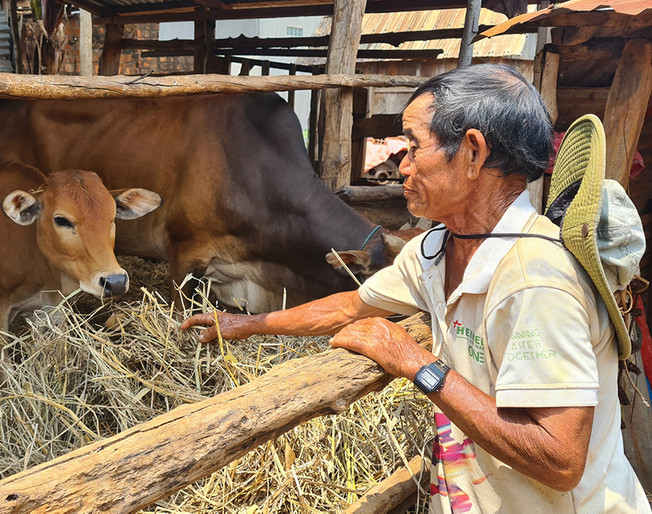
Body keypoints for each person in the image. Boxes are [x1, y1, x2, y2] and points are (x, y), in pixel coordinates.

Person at [181, 64, 651, 513]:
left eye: (413, 145)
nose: (402, 165)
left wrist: (416, 363)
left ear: (472, 153)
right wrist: (249, 324)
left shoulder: (535, 282)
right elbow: (352, 305)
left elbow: (560, 460)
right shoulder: (436, 248)